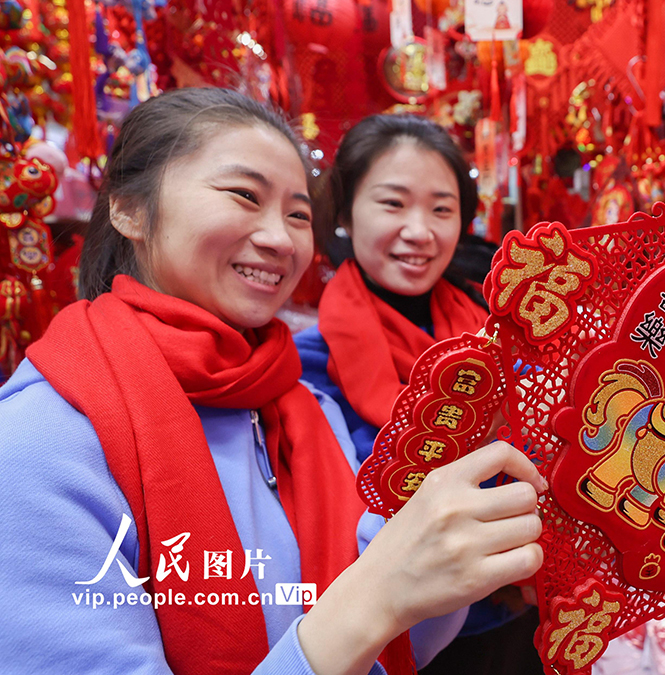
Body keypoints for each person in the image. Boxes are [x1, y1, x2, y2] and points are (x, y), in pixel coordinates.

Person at [0, 88, 545, 675]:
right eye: (243, 195)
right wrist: (376, 596)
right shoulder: (38, 444)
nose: (281, 240)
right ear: (130, 208)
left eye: (297, 214)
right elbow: (375, 601)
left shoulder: (300, 406)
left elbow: (403, 637)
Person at [295, 114, 545, 675]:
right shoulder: (308, 370)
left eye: (441, 208)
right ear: (346, 213)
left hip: (520, 622)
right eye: (392, 204)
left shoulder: (498, 334)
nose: (419, 231)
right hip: (395, 647)